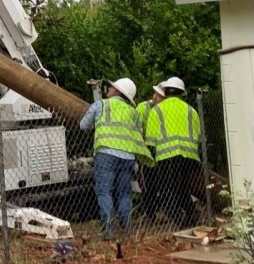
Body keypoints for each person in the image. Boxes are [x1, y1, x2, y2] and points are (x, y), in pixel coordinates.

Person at [79, 77, 152, 239]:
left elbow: (83, 125)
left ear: (118, 91)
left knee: (104, 192)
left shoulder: (101, 105)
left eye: (112, 87)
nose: (109, 89)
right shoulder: (133, 112)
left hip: (106, 153)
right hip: (128, 156)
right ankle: (128, 230)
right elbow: (139, 133)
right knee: (125, 193)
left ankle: (108, 230)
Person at [144, 76, 202, 230]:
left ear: (165, 91)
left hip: (167, 155)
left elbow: (151, 139)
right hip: (190, 155)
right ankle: (190, 213)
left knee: (166, 189)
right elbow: (198, 135)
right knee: (182, 187)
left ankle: (177, 219)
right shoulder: (191, 111)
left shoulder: (157, 110)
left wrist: (149, 158)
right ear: (181, 93)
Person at [136, 83, 165, 216]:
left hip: (162, 149)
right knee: (148, 182)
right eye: (155, 94)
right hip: (147, 149)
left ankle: (158, 210)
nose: (155, 97)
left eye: (159, 96)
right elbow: (137, 129)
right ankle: (150, 212)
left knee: (161, 181)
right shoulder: (142, 108)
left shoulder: (165, 110)